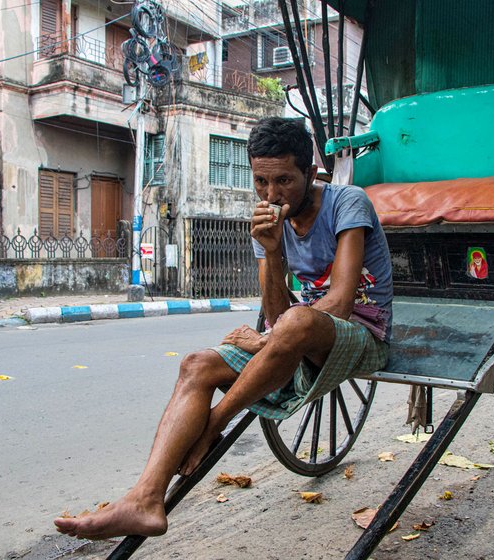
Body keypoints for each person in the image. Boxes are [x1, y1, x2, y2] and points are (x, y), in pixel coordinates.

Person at [54, 117, 393, 540]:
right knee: (197, 365)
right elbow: (274, 313)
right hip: (295, 335)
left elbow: (341, 304)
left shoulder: (348, 202)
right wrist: (272, 255)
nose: (272, 195)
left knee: (298, 320)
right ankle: (144, 499)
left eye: (285, 180)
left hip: (361, 334)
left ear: (310, 173)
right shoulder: (266, 223)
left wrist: (270, 339)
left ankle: (214, 425)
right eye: (261, 181)